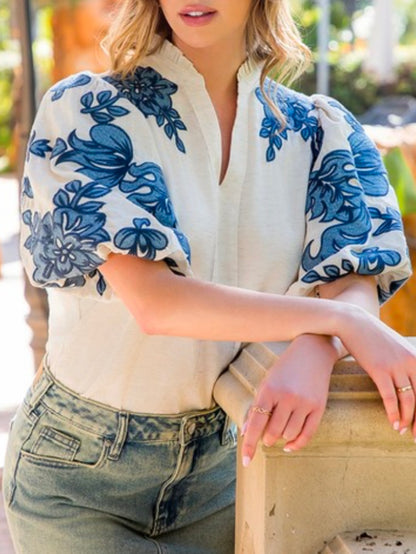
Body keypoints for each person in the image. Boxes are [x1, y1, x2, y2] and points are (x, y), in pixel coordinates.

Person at [3, 1, 415, 552]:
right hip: (81, 474)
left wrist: (320, 343)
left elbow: (354, 276)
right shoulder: (88, 110)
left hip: (229, 471)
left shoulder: (319, 131)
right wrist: (338, 320)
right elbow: (157, 304)